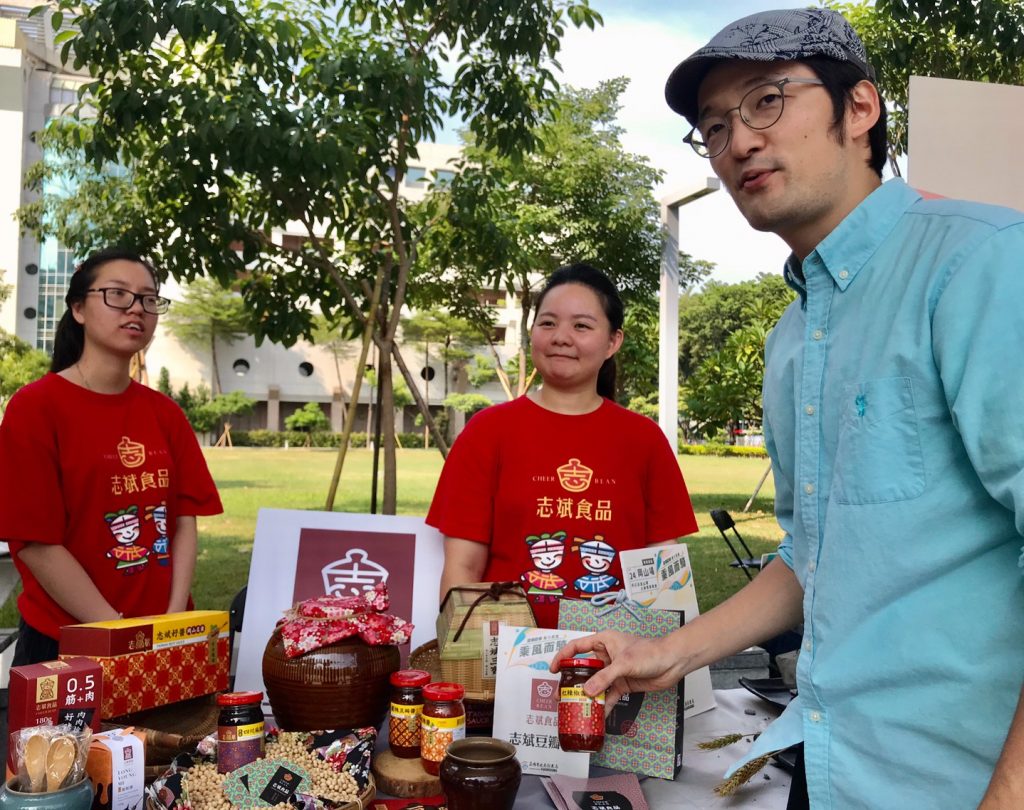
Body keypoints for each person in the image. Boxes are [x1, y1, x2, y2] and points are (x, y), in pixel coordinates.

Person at [554, 9, 1024, 809]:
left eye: (768, 101)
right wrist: (665, 653)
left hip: (964, 778)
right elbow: (815, 556)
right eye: (714, 125)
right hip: (831, 760)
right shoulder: (793, 337)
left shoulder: (982, 262)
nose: (738, 141)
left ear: (861, 109)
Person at [427, 263, 698, 628]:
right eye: (548, 323)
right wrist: (484, 659)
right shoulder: (487, 431)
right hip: (508, 660)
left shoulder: (644, 440)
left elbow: (662, 570)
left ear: (613, 342)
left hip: (615, 659)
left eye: (581, 326)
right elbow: (462, 570)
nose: (561, 337)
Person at [0, 248, 223, 666]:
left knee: (168, 735)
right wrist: (119, 634)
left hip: (162, 641)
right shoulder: (35, 408)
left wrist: (172, 622)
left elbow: (182, 520)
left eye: (148, 298)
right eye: (118, 294)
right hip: (66, 646)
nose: (136, 308)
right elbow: (35, 542)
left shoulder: (165, 414)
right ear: (79, 308)